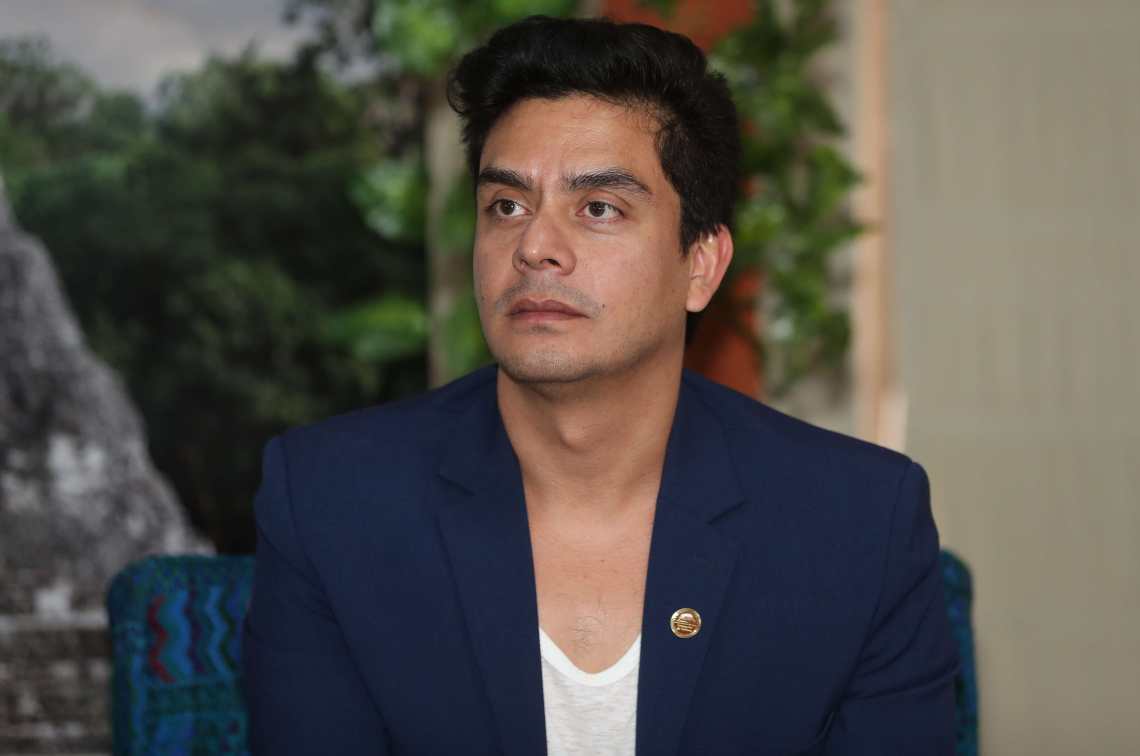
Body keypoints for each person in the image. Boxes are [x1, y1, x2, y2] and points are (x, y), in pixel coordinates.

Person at [243, 15, 958, 755]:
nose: (535, 247)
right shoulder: (333, 502)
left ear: (701, 265)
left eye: (598, 209)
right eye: (507, 206)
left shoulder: (858, 524)